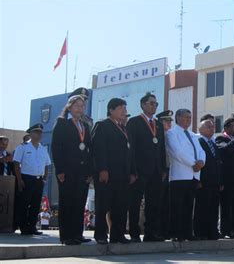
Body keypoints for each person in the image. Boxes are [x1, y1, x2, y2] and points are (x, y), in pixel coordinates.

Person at [92, 98, 135, 244]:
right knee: (103, 205)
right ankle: (101, 235)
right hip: (108, 174)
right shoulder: (103, 125)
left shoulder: (123, 128)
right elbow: (99, 149)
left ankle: (118, 235)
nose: (124, 110)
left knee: (120, 206)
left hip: (122, 175)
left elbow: (129, 152)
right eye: (121, 108)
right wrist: (102, 169)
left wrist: (131, 172)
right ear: (111, 110)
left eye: (125, 107)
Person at [51, 94, 93, 245]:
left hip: (82, 172)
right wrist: (60, 170)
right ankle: (67, 236)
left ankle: (77, 234)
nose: (80, 109)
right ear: (69, 106)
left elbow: (88, 149)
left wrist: (89, 172)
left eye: (82, 106)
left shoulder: (85, 125)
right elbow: (56, 148)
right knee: (67, 202)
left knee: (79, 203)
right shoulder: (62, 123)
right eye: (77, 105)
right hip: (67, 171)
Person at [126, 93, 167, 243]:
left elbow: (161, 148)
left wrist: (163, 168)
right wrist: (132, 170)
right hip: (139, 171)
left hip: (156, 171)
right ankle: (134, 233)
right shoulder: (134, 122)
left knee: (154, 203)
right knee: (135, 203)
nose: (154, 106)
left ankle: (151, 233)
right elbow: (131, 148)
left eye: (156, 104)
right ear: (143, 105)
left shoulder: (158, 125)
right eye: (151, 103)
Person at [166, 109, 205, 242]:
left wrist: (201, 162)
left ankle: (188, 232)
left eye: (190, 117)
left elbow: (201, 151)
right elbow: (177, 152)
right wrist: (193, 163)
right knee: (177, 206)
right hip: (179, 175)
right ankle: (176, 233)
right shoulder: (171, 133)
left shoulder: (193, 135)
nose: (189, 119)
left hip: (193, 175)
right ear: (178, 118)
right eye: (186, 117)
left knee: (189, 206)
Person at [13, 123, 51, 235]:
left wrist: (44, 178)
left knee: (36, 204)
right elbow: (16, 163)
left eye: (40, 133)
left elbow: (47, 164)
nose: (39, 135)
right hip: (26, 178)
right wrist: (19, 180)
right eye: (36, 132)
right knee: (24, 204)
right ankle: (24, 227)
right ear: (30, 133)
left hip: (39, 180)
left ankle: (32, 226)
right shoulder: (23, 147)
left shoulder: (43, 149)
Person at [194, 119, 223, 240]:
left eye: (213, 126)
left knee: (213, 208)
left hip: (215, 182)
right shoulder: (198, 141)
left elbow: (218, 163)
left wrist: (220, 181)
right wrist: (198, 181)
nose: (212, 128)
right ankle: (201, 232)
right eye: (208, 126)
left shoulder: (213, 143)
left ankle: (212, 231)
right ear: (200, 129)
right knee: (202, 208)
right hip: (204, 182)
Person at [155, 109, 174, 239]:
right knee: (159, 202)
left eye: (169, 121)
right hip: (161, 171)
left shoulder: (170, 135)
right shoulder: (158, 134)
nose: (169, 123)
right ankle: (159, 230)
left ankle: (167, 229)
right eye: (167, 121)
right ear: (161, 122)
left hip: (171, 171)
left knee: (168, 203)